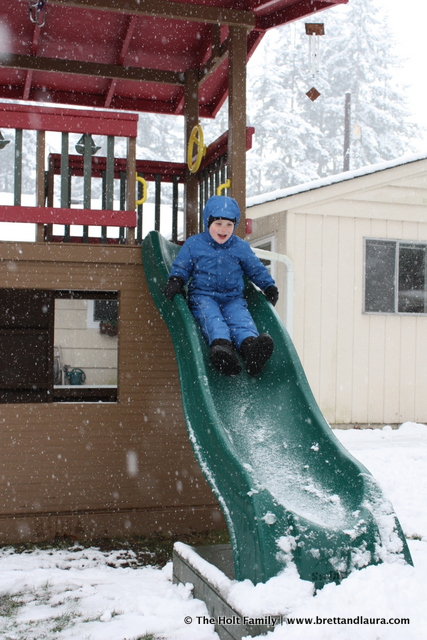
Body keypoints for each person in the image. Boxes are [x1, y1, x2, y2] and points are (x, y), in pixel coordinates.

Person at [163, 195, 279, 376]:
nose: (223, 230)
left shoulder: (240, 247)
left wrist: (268, 286)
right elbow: (182, 265)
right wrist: (176, 280)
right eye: (218, 224)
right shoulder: (195, 244)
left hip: (233, 298)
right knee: (212, 320)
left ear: (235, 226)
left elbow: (255, 268)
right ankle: (222, 351)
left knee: (241, 321)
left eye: (229, 225)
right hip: (203, 296)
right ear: (208, 223)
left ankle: (251, 351)